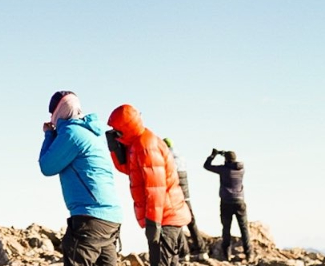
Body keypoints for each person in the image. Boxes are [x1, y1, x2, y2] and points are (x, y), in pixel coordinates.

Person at [38, 91, 125, 266]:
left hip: (91, 217)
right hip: (111, 217)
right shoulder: (95, 132)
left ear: (58, 112)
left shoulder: (72, 133)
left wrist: (48, 135)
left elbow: (47, 166)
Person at [106, 104, 191, 266]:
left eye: (117, 130)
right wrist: (115, 150)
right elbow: (130, 170)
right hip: (164, 216)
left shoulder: (147, 146)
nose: (115, 133)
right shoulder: (136, 143)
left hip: (165, 217)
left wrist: (153, 223)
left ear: (127, 127)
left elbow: (155, 188)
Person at [163, 138, 208, 261]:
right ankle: (202, 250)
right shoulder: (181, 158)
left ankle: (184, 253)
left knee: (177, 224)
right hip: (186, 196)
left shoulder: (167, 160)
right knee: (191, 222)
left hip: (175, 196)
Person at [204, 149, 251, 262]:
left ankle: (226, 255)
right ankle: (249, 254)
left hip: (226, 202)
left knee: (226, 229)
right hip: (240, 201)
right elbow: (232, 164)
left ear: (226, 159)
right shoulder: (241, 169)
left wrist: (213, 155)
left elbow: (207, 166)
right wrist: (226, 156)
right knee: (244, 229)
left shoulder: (224, 170)